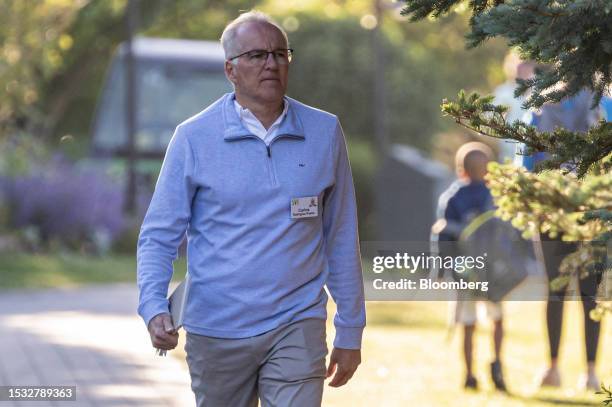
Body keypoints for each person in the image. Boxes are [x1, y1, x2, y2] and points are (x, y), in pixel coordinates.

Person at [136, 10, 366, 407]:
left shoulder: (324, 131)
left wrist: (350, 329)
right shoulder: (193, 137)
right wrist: (153, 305)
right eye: (258, 55)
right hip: (216, 329)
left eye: (280, 53)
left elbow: (341, 236)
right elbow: (159, 235)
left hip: (298, 320)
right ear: (231, 70)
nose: (272, 63)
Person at [516, 90, 601, 390]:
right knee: (591, 292)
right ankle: (590, 373)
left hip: (548, 208)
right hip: (594, 208)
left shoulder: (540, 104)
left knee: (555, 290)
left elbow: (525, 161)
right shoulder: (604, 102)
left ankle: (552, 369)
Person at [434, 142, 507, 391]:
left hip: (463, 268)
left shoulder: (451, 197)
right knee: (496, 319)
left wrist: (440, 269)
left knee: (468, 323)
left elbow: (443, 235)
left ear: (460, 170)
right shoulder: (494, 195)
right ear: (489, 170)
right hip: (490, 268)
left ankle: (469, 374)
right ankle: (497, 365)